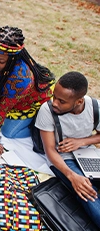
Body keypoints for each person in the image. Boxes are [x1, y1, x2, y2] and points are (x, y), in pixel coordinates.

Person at [0, 25, 55, 156]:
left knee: (8, 133)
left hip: (30, 103)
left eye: (1, 61)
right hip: (14, 99)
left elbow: (2, 108)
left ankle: (40, 125)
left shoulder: (21, 79)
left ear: (12, 60)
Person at [35, 71, 100, 228]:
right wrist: (72, 176)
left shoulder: (95, 107)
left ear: (78, 101)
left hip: (88, 154)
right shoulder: (47, 110)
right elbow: (50, 150)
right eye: (54, 97)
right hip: (64, 159)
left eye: (62, 101)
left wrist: (82, 141)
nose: (55, 103)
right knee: (88, 194)